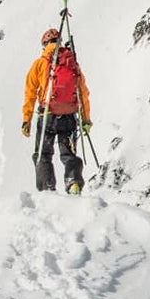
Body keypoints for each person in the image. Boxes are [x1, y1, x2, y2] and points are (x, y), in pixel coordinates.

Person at [21, 27, 92, 193]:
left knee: (43, 154)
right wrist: (86, 119)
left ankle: (47, 188)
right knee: (69, 154)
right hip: (69, 117)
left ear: (44, 45)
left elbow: (30, 93)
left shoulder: (40, 64)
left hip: (48, 115)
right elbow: (83, 92)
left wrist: (27, 119)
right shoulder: (71, 62)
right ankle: (73, 182)